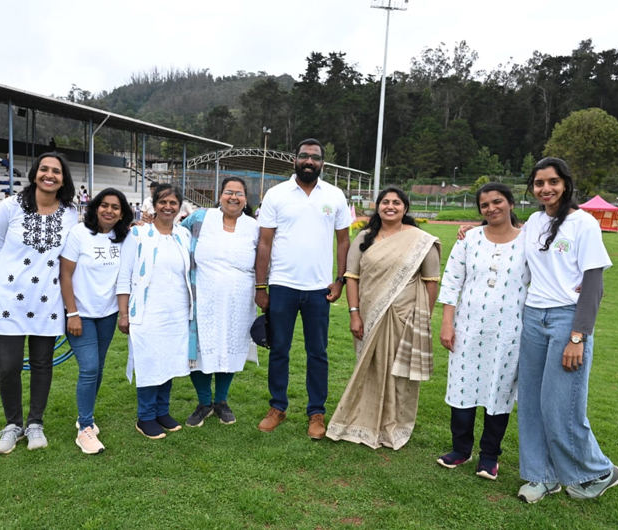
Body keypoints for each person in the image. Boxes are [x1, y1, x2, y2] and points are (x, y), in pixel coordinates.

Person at [516, 157, 618, 503]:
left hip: (567, 320)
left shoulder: (583, 223)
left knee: (560, 405)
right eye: (539, 183)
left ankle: (599, 471)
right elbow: (509, 241)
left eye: (553, 182)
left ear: (565, 184)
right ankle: (541, 477)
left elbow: (593, 283)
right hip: (533, 317)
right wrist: (471, 231)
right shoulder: (534, 222)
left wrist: (578, 336)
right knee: (531, 403)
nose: (545, 188)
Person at [326, 187, 440, 449]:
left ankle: (394, 424)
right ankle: (363, 420)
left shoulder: (420, 240)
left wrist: (424, 316)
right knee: (370, 367)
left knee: (399, 373)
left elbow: (431, 281)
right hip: (369, 314)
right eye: (385, 202)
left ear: (405, 207)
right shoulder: (364, 237)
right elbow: (351, 276)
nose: (390, 206)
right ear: (377, 206)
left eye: (396, 202)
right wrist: (354, 314)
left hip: (405, 315)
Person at [255, 138, 352, 440]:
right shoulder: (276, 194)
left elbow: (344, 241)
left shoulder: (335, 195)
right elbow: (264, 242)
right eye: (304, 156)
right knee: (279, 349)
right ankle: (277, 407)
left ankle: (316, 413)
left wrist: (340, 280)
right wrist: (261, 286)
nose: (309, 161)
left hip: (318, 289)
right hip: (282, 286)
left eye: (315, 157)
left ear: (323, 163)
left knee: (317, 352)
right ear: (294, 159)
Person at [0, 152, 77, 454]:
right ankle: (13, 425)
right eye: (44, 169)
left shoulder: (70, 213)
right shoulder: (10, 206)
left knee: (41, 364)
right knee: (8, 367)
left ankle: (35, 423)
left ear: (63, 179)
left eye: (56, 171)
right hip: (8, 300)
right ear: (35, 173)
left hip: (48, 301)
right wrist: (12, 276)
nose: (49, 175)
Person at [435, 182, 529, 479]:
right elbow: (452, 282)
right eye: (484, 205)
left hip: (509, 331)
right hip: (468, 328)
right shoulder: (470, 239)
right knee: (462, 387)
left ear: (511, 203)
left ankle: (489, 456)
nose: (491, 208)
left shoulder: (529, 240)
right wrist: (447, 324)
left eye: (497, 201)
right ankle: (461, 450)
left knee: (499, 390)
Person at [60, 188, 133, 454]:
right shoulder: (79, 234)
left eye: (115, 207)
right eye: (104, 205)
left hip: (107, 314)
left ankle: (86, 417)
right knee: (89, 367)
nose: (109, 211)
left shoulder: (124, 238)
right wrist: (72, 313)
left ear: (122, 213)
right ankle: (85, 429)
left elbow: (125, 276)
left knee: (98, 368)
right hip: (80, 315)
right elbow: (65, 275)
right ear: (95, 207)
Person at [116, 183, 192, 440]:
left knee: (168, 361)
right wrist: (124, 313)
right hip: (147, 312)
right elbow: (124, 275)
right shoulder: (138, 234)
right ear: (154, 204)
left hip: (177, 312)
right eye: (163, 202)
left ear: (179, 207)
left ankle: (162, 411)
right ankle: (146, 416)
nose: (168, 207)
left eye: (173, 203)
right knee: (149, 361)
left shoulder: (183, 235)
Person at [182, 176, 259, 427]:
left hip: (239, 300)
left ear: (246, 199)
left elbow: (265, 257)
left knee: (230, 346)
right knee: (200, 349)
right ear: (220, 195)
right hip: (203, 297)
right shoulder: (201, 218)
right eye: (228, 192)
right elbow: (174, 235)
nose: (233, 197)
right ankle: (204, 402)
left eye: (239, 193)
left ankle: (222, 401)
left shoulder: (254, 226)